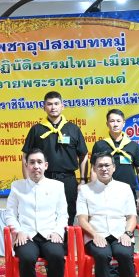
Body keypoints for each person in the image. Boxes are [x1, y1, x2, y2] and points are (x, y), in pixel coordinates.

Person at [4, 149, 68, 277]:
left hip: (49, 234)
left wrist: (57, 231)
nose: (35, 166)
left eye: (39, 162)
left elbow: (63, 214)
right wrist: (18, 230)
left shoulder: (57, 186)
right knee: (26, 258)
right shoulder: (17, 186)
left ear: (46, 165)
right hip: (27, 234)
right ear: (26, 165)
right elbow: (9, 213)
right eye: (32, 162)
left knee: (57, 256)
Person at [76, 153, 137, 277]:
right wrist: (95, 235)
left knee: (125, 255)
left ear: (114, 168)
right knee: (102, 255)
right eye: (100, 166)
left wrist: (128, 233)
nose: (104, 168)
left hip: (120, 234)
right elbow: (82, 219)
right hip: (96, 234)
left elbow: (132, 217)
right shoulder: (85, 190)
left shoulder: (124, 188)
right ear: (94, 168)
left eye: (107, 165)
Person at [22, 90, 88, 226]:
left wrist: (82, 180)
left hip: (68, 180)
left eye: (56, 104)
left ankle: (65, 245)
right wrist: (28, 180)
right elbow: (25, 156)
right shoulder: (37, 130)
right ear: (44, 107)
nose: (53, 107)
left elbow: (83, 154)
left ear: (62, 106)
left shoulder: (73, 129)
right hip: (43, 179)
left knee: (68, 214)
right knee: (43, 214)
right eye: (49, 104)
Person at [90, 109, 139, 210]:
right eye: (112, 121)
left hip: (128, 193)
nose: (115, 124)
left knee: (129, 222)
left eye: (118, 121)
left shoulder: (133, 145)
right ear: (107, 123)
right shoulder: (100, 145)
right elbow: (94, 170)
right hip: (104, 193)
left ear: (124, 123)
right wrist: (94, 193)